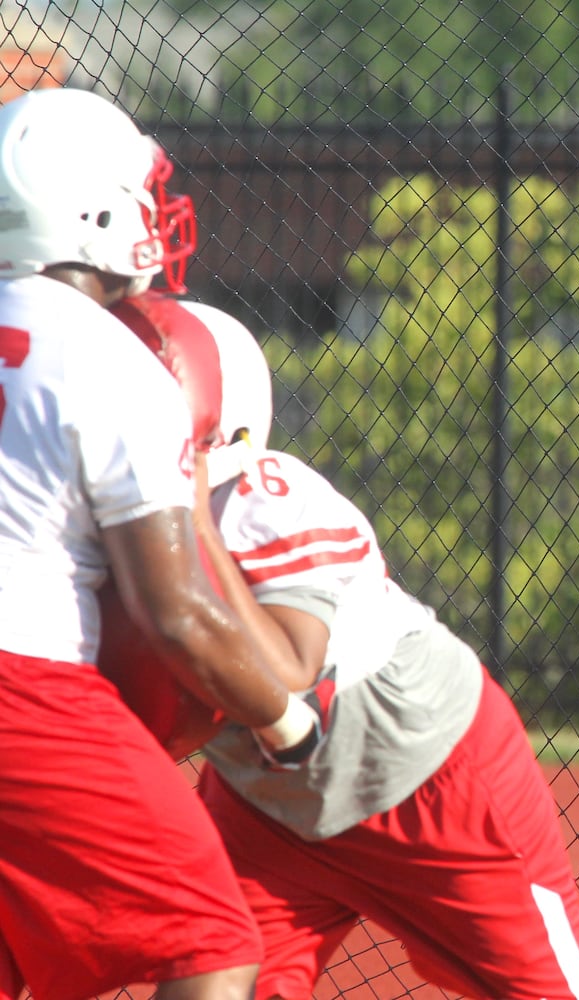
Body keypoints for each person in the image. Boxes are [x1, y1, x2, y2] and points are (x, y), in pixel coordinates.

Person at [113, 293, 579, 1000]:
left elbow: (284, 681)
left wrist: (191, 513)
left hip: (423, 776)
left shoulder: (265, 497)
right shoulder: (79, 512)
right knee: (206, 974)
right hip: (267, 805)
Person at [0, 88, 321, 1000]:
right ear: (93, 209)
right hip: (23, 687)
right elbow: (175, 611)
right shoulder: (108, 360)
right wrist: (288, 722)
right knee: (209, 939)